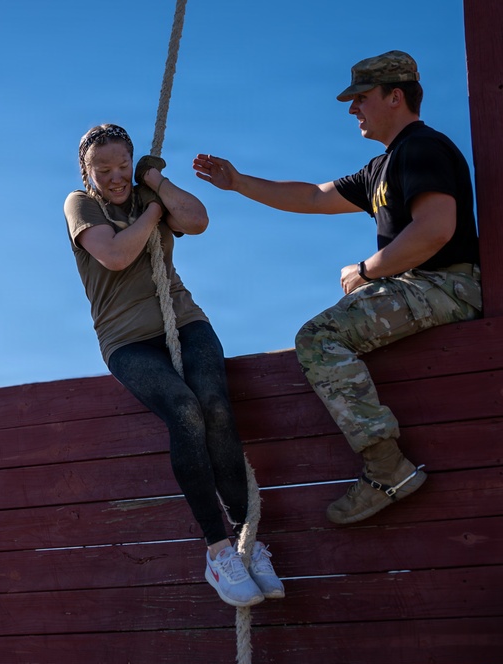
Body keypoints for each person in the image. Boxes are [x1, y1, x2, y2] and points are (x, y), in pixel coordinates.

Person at [193, 50, 481, 525]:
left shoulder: (424, 148)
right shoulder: (382, 167)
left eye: (361, 98)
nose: (352, 109)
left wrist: (367, 272)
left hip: (447, 285)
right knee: (325, 330)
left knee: (319, 338)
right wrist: (239, 182)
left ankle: (387, 468)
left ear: (395, 97)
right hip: (423, 286)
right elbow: (311, 196)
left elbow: (435, 230)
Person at [63, 124, 284, 607]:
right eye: (105, 170)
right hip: (127, 340)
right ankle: (219, 551)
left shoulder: (147, 190)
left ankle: (249, 544)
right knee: (184, 410)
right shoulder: (80, 204)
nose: (117, 177)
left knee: (216, 409)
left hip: (184, 321)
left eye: (124, 165)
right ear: (87, 172)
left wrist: (158, 184)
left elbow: (199, 220)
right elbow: (117, 256)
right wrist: (154, 212)